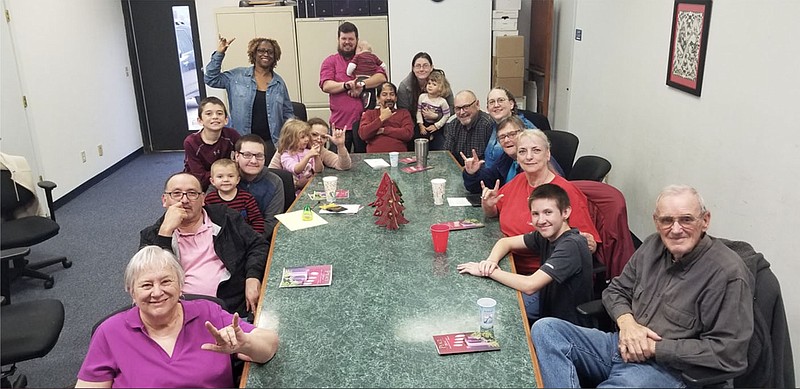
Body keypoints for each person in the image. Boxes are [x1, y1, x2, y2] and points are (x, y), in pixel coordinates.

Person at [531, 185, 754, 388]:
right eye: (667, 220)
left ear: (705, 220)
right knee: (546, 329)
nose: (675, 229)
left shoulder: (727, 273)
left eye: (686, 219)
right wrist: (627, 323)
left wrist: (653, 347)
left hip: (665, 369)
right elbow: (615, 290)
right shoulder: (652, 245)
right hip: (619, 344)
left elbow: (728, 355)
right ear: (656, 221)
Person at [76, 246, 279, 388]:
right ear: (131, 291)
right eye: (146, 285)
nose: (157, 292)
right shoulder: (110, 332)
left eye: (166, 282)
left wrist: (245, 344)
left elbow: (269, 345)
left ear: (181, 284)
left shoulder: (208, 313)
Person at [457, 184, 593, 325]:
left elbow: (530, 285)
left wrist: (486, 271)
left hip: (567, 326)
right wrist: (490, 262)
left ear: (565, 212)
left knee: (502, 312)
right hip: (547, 306)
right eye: (535, 214)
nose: (541, 220)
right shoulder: (547, 234)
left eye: (548, 212)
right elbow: (505, 243)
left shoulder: (571, 245)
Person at [139, 173, 268, 316]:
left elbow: (258, 244)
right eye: (176, 194)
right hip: (180, 314)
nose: (184, 200)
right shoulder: (151, 235)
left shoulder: (225, 217)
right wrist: (165, 232)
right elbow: (150, 282)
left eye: (192, 193)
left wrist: (253, 277)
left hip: (232, 308)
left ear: (203, 199)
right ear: (164, 200)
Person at [481, 129, 599, 276]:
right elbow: (494, 212)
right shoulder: (518, 180)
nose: (529, 157)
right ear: (516, 157)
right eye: (522, 151)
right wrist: (488, 205)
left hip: (537, 273)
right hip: (505, 259)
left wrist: (589, 243)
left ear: (548, 154)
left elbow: (586, 244)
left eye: (536, 150)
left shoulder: (565, 191)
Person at [204, 36, 294, 154]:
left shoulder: (278, 83)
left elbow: (287, 113)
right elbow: (211, 78)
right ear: (254, 53)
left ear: (275, 56)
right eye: (261, 50)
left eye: (270, 52)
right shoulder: (237, 76)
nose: (266, 54)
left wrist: (291, 138)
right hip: (242, 142)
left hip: (271, 143)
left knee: (271, 172)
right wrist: (220, 53)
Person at [320, 22, 387, 152]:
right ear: (338, 39)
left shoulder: (367, 58)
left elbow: (382, 77)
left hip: (364, 124)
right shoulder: (331, 61)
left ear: (357, 40)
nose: (347, 42)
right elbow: (326, 85)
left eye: (351, 39)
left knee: (364, 162)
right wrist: (347, 85)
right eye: (344, 38)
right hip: (339, 125)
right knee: (337, 162)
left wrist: (361, 84)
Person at [268, 118, 351, 189]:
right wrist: (297, 184)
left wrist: (340, 145)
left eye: (323, 137)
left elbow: (343, 166)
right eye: (314, 135)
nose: (319, 139)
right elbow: (271, 175)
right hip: (289, 192)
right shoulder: (286, 149)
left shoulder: (320, 149)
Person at [183, 97, 241, 191]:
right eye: (209, 114)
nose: (215, 117)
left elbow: (243, 155)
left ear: (226, 120)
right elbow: (199, 177)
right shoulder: (191, 142)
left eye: (219, 113)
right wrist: (224, 173)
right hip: (198, 182)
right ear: (200, 120)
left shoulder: (232, 135)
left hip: (225, 179)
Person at [233, 135, 284, 239]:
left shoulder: (275, 182)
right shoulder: (224, 178)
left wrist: (249, 241)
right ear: (237, 156)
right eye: (247, 155)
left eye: (259, 156)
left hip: (259, 241)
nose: (254, 161)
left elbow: (271, 222)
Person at [461, 116, 524, 194]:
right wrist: (472, 173)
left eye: (512, 134)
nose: (507, 140)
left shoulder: (531, 163)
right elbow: (484, 184)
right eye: (502, 137)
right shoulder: (505, 159)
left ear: (524, 134)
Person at [205, 158, 265, 235]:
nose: (226, 180)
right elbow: (206, 222)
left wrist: (253, 238)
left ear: (237, 179)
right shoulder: (210, 199)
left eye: (230, 176)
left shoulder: (246, 198)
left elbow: (257, 221)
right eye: (220, 177)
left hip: (244, 238)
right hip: (219, 238)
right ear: (212, 181)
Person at [442, 90, 494, 166]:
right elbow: (447, 155)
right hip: (459, 170)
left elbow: (491, 161)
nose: (462, 112)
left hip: (481, 173)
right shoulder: (453, 125)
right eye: (458, 108)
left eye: (466, 107)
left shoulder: (488, 125)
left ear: (477, 104)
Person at [358, 82, 414, 153]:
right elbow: (363, 134)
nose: (389, 98)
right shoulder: (369, 114)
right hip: (374, 158)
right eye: (384, 94)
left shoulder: (403, 113)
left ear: (396, 98)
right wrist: (381, 118)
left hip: (399, 157)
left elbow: (408, 134)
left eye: (392, 94)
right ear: (378, 98)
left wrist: (383, 130)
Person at [276, 120, 321, 195]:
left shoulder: (307, 152)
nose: (307, 139)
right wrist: (308, 155)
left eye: (307, 136)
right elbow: (297, 169)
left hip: (311, 189)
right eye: (302, 137)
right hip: (295, 193)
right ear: (290, 139)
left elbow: (319, 170)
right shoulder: (286, 156)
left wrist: (316, 156)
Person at [415, 70, 451, 151]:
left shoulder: (442, 101)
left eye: (434, 84)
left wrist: (436, 126)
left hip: (437, 126)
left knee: (439, 144)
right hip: (424, 124)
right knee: (419, 142)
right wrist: (421, 125)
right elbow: (419, 111)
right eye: (429, 83)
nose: (430, 86)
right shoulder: (422, 97)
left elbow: (447, 115)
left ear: (440, 88)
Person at [345, 40, 387, 108]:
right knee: (371, 92)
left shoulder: (358, 56)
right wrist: (386, 72)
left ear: (360, 49)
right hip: (370, 78)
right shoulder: (373, 57)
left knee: (361, 92)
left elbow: (351, 66)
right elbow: (383, 65)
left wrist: (348, 73)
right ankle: (370, 103)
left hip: (360, 78)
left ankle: (365, 98)